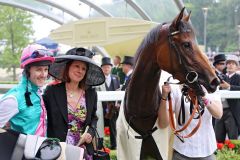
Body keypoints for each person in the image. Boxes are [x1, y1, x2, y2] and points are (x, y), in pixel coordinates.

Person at [43, 47, 105, 159]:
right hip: (58, 151)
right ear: (68, 67)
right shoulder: (52, 92)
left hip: (83, 152)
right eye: (76, 66)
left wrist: (90, 132)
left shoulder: (91, 94)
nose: (80, 71)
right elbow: (39, 113)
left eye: (83, 68)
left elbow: (93, 118)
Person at [0, 44, 55, 136]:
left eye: (46, 69)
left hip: (41, 148)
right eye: (38, 69)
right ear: (27, 71)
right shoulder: (14, 99)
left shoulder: (38, 91)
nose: (44, 74)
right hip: (23, 150)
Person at [158, 83, 223, 159]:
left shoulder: (211, 85)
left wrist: (204, 97)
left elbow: (218, 114)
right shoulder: (175, 88)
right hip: (182, 150)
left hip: (207, 150)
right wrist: (164, 97)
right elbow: (163, 124)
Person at [96, 57, 120, 150]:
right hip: (102, 107)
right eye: (105, 67)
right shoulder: (99, 78)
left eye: (108, 67)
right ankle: (101, 145)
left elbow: (118, 90)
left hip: (113, 107)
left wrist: (118, 103)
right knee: (100, 126)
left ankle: (114, 145)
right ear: (102, 68)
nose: (106, 69)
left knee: (113, 126)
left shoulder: (116, 78)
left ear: (111, 68)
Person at [215, 54, 240, 142]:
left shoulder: (238, 77)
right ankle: (219, 155)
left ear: (237, 67)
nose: (230, 65)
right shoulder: (221, 77)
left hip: (232, 112)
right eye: (229, 63)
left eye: (233, 63)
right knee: (218, 138)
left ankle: (233, 156)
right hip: (219, 110)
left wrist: (229, 87)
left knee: (233, 138)